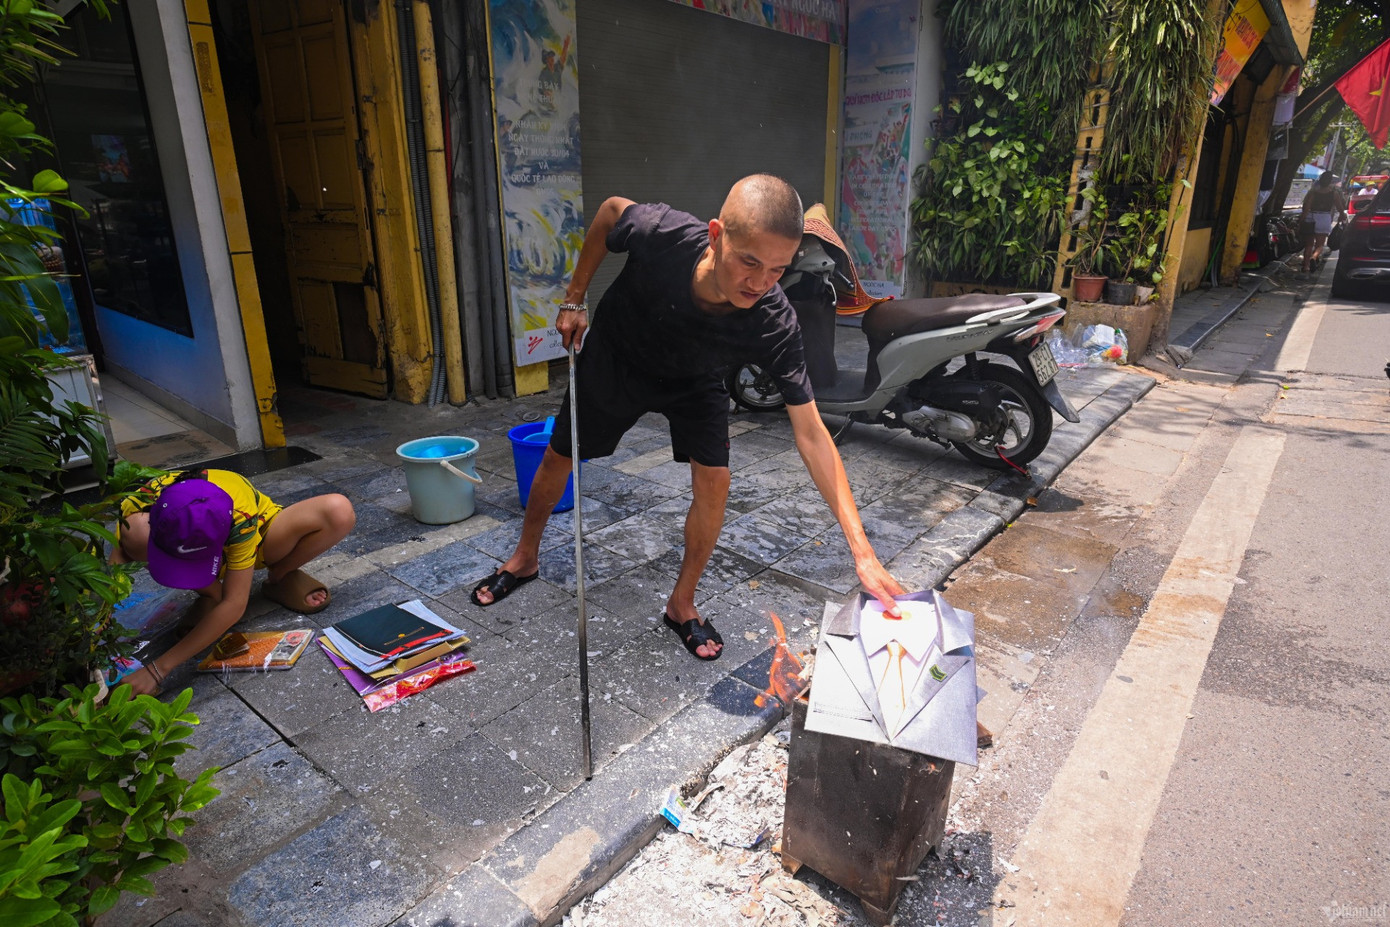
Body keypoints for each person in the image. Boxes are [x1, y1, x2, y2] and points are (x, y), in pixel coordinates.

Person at [470, 174, 905, 660]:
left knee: (716, 481)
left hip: (696, 379)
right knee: (558, 456)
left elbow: (812, 434)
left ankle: (682, 603)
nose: (761, 284)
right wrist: (575, 297)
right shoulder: (664, 233)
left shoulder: (773, 319)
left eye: (778, 270)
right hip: (619, 358)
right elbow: (612, 208)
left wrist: (862, 553)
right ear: (717, 236)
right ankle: (526, 557)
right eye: (750, 262)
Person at [111, 469, 355, 695]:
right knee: (135, 533)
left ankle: (279, 576)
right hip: (195, 553)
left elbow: (236, 603)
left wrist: (158, 669)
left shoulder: (240, 515)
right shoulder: (141, 501)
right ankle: (211, 594)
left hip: (259, 544)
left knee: (338, 510)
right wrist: (95, 626)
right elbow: (109, 572)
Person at [1301, 171, 1346, 273]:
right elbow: (1340, 208)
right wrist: (1342, 217)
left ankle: (1306, 266)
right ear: (1330, 181)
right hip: (1324, 218)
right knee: (1320, 245)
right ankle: (1314, 256)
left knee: (1308, 244)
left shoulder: (1313, 193)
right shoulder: (1334, 194)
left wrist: (1301, 220)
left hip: (1311, 217)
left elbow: (1306, 208)